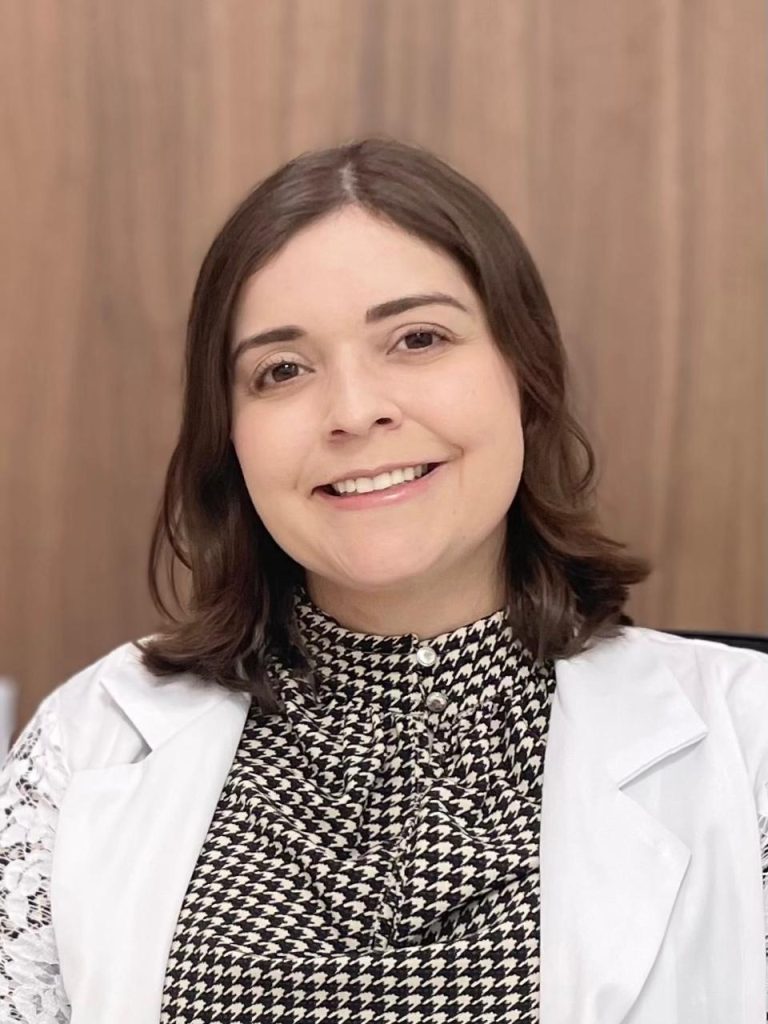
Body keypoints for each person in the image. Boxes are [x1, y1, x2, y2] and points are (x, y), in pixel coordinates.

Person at [0, 136, 766, 1024]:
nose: (356, 411)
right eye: (282, 370)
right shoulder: (86, 744)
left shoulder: (748, 745)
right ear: (230, 435)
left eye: (418, 338)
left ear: (525, 374)